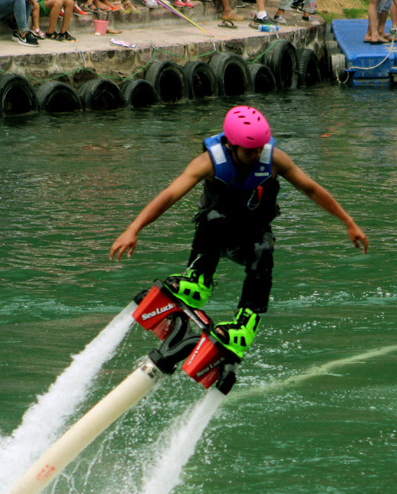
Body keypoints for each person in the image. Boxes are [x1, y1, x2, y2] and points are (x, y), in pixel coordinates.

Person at [109, 106, 368, 358]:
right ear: (232, 146)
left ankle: (244, 326)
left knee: (263, 248)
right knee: (213, 217)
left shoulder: (274, 159)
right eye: (249, 150)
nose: (256, 154)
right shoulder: (208, 163)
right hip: (215, 237)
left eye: (259, 148)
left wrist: (348, 221)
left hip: (249, 237)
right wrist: (133, 229)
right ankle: (197, 282)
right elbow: (169, 195)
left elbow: (311, 189)